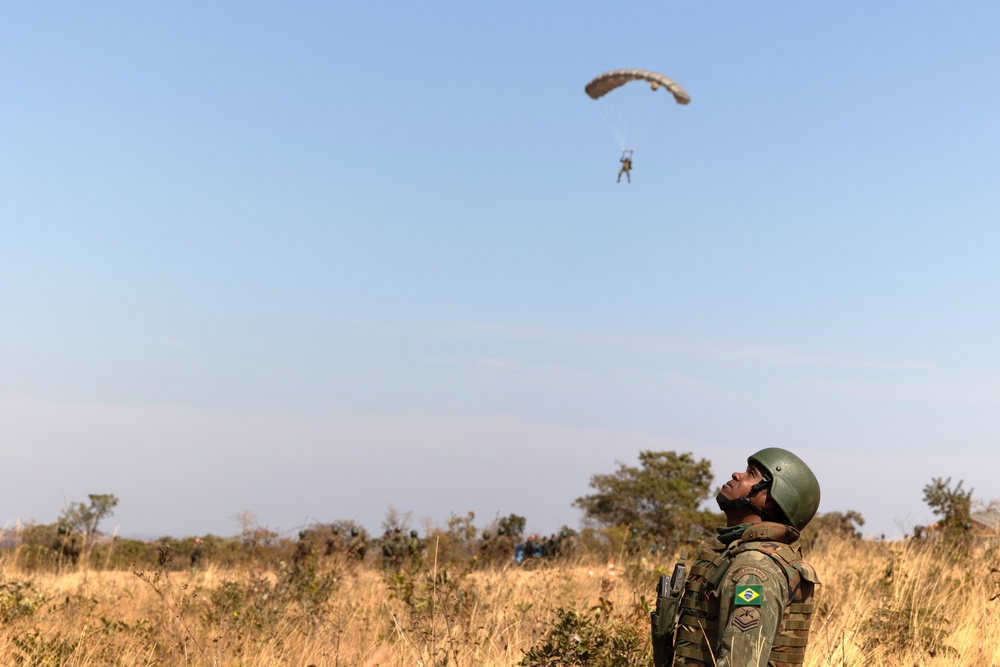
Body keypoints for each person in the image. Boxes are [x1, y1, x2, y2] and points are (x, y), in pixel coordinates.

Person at [652, 448, 821, 667]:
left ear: (769, 500)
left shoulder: (754, 568)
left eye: (751, 474)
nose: (736, 475)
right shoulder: (739, 556)